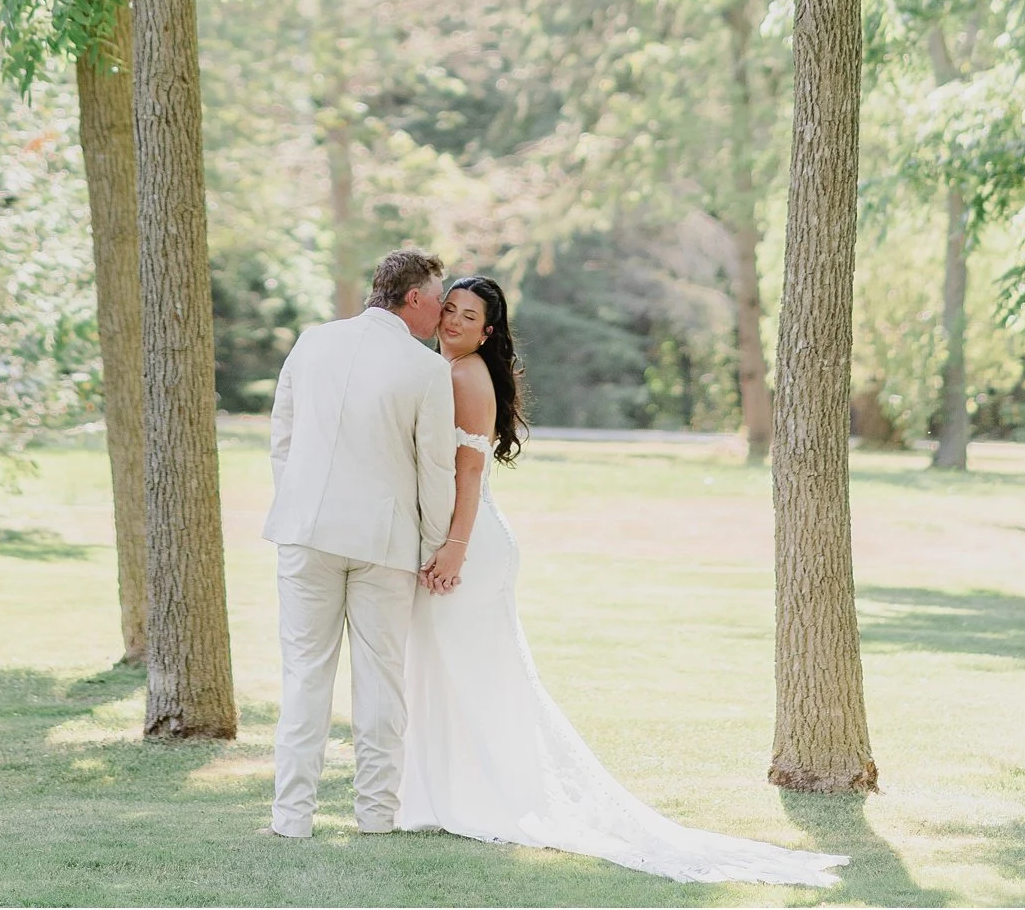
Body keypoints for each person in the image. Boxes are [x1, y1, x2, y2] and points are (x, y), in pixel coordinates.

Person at [396, 275, 849, 890]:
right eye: (448, 309)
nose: (452, 321)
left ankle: (486, 797)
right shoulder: (446, 372)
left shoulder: (462, 376)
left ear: (488, 330)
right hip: (462, 539)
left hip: (468, 545)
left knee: (475, 676)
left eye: (467, 315)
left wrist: (453, 550)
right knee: (454, 672)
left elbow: (470, 475)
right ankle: (448, 792)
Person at [263, 246, 456, 840]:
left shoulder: (312, 341)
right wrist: (433, 548)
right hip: (383, 541)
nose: (444, 313)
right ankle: (375, 817)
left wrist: (299, 506)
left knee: (305, 677)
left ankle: (291, 820)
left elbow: (283, 438)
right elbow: (436, 472)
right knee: (381, 681)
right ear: (415, 297)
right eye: (439, 299)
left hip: (304, 533)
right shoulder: (426, 370)